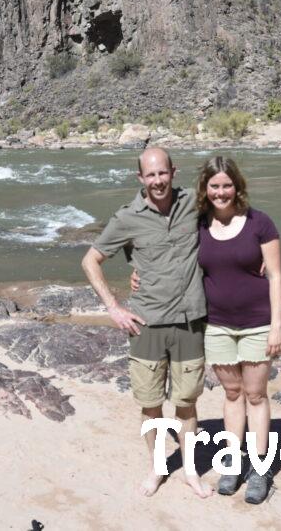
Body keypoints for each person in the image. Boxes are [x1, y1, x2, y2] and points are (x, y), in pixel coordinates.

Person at [80, 147, 212, 498]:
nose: (157, 180)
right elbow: (91, 261)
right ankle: (156, 468)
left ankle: (190, 472)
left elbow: (232, 216)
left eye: (162, 173)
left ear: (173, 171)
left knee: (186, 404)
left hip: (190, 320)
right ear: (141, 178)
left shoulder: (195, 203)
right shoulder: (126, 218)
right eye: (150, 175)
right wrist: (114, 307)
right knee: (151, 405)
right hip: (147, 324)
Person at [196, 155, 281, 504]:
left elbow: (275, 275)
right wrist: (138, 272)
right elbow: (168, 253)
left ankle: (260, 469)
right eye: (214, 186)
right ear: (206, 189)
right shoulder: (198, 224)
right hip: (215, 325)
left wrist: (277, 326)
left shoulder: (260, 223)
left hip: (257, 324)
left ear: (237, 186)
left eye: (226, 185)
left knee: (256, 394)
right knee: (232, 393)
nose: (221, 192)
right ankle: (233, 463)